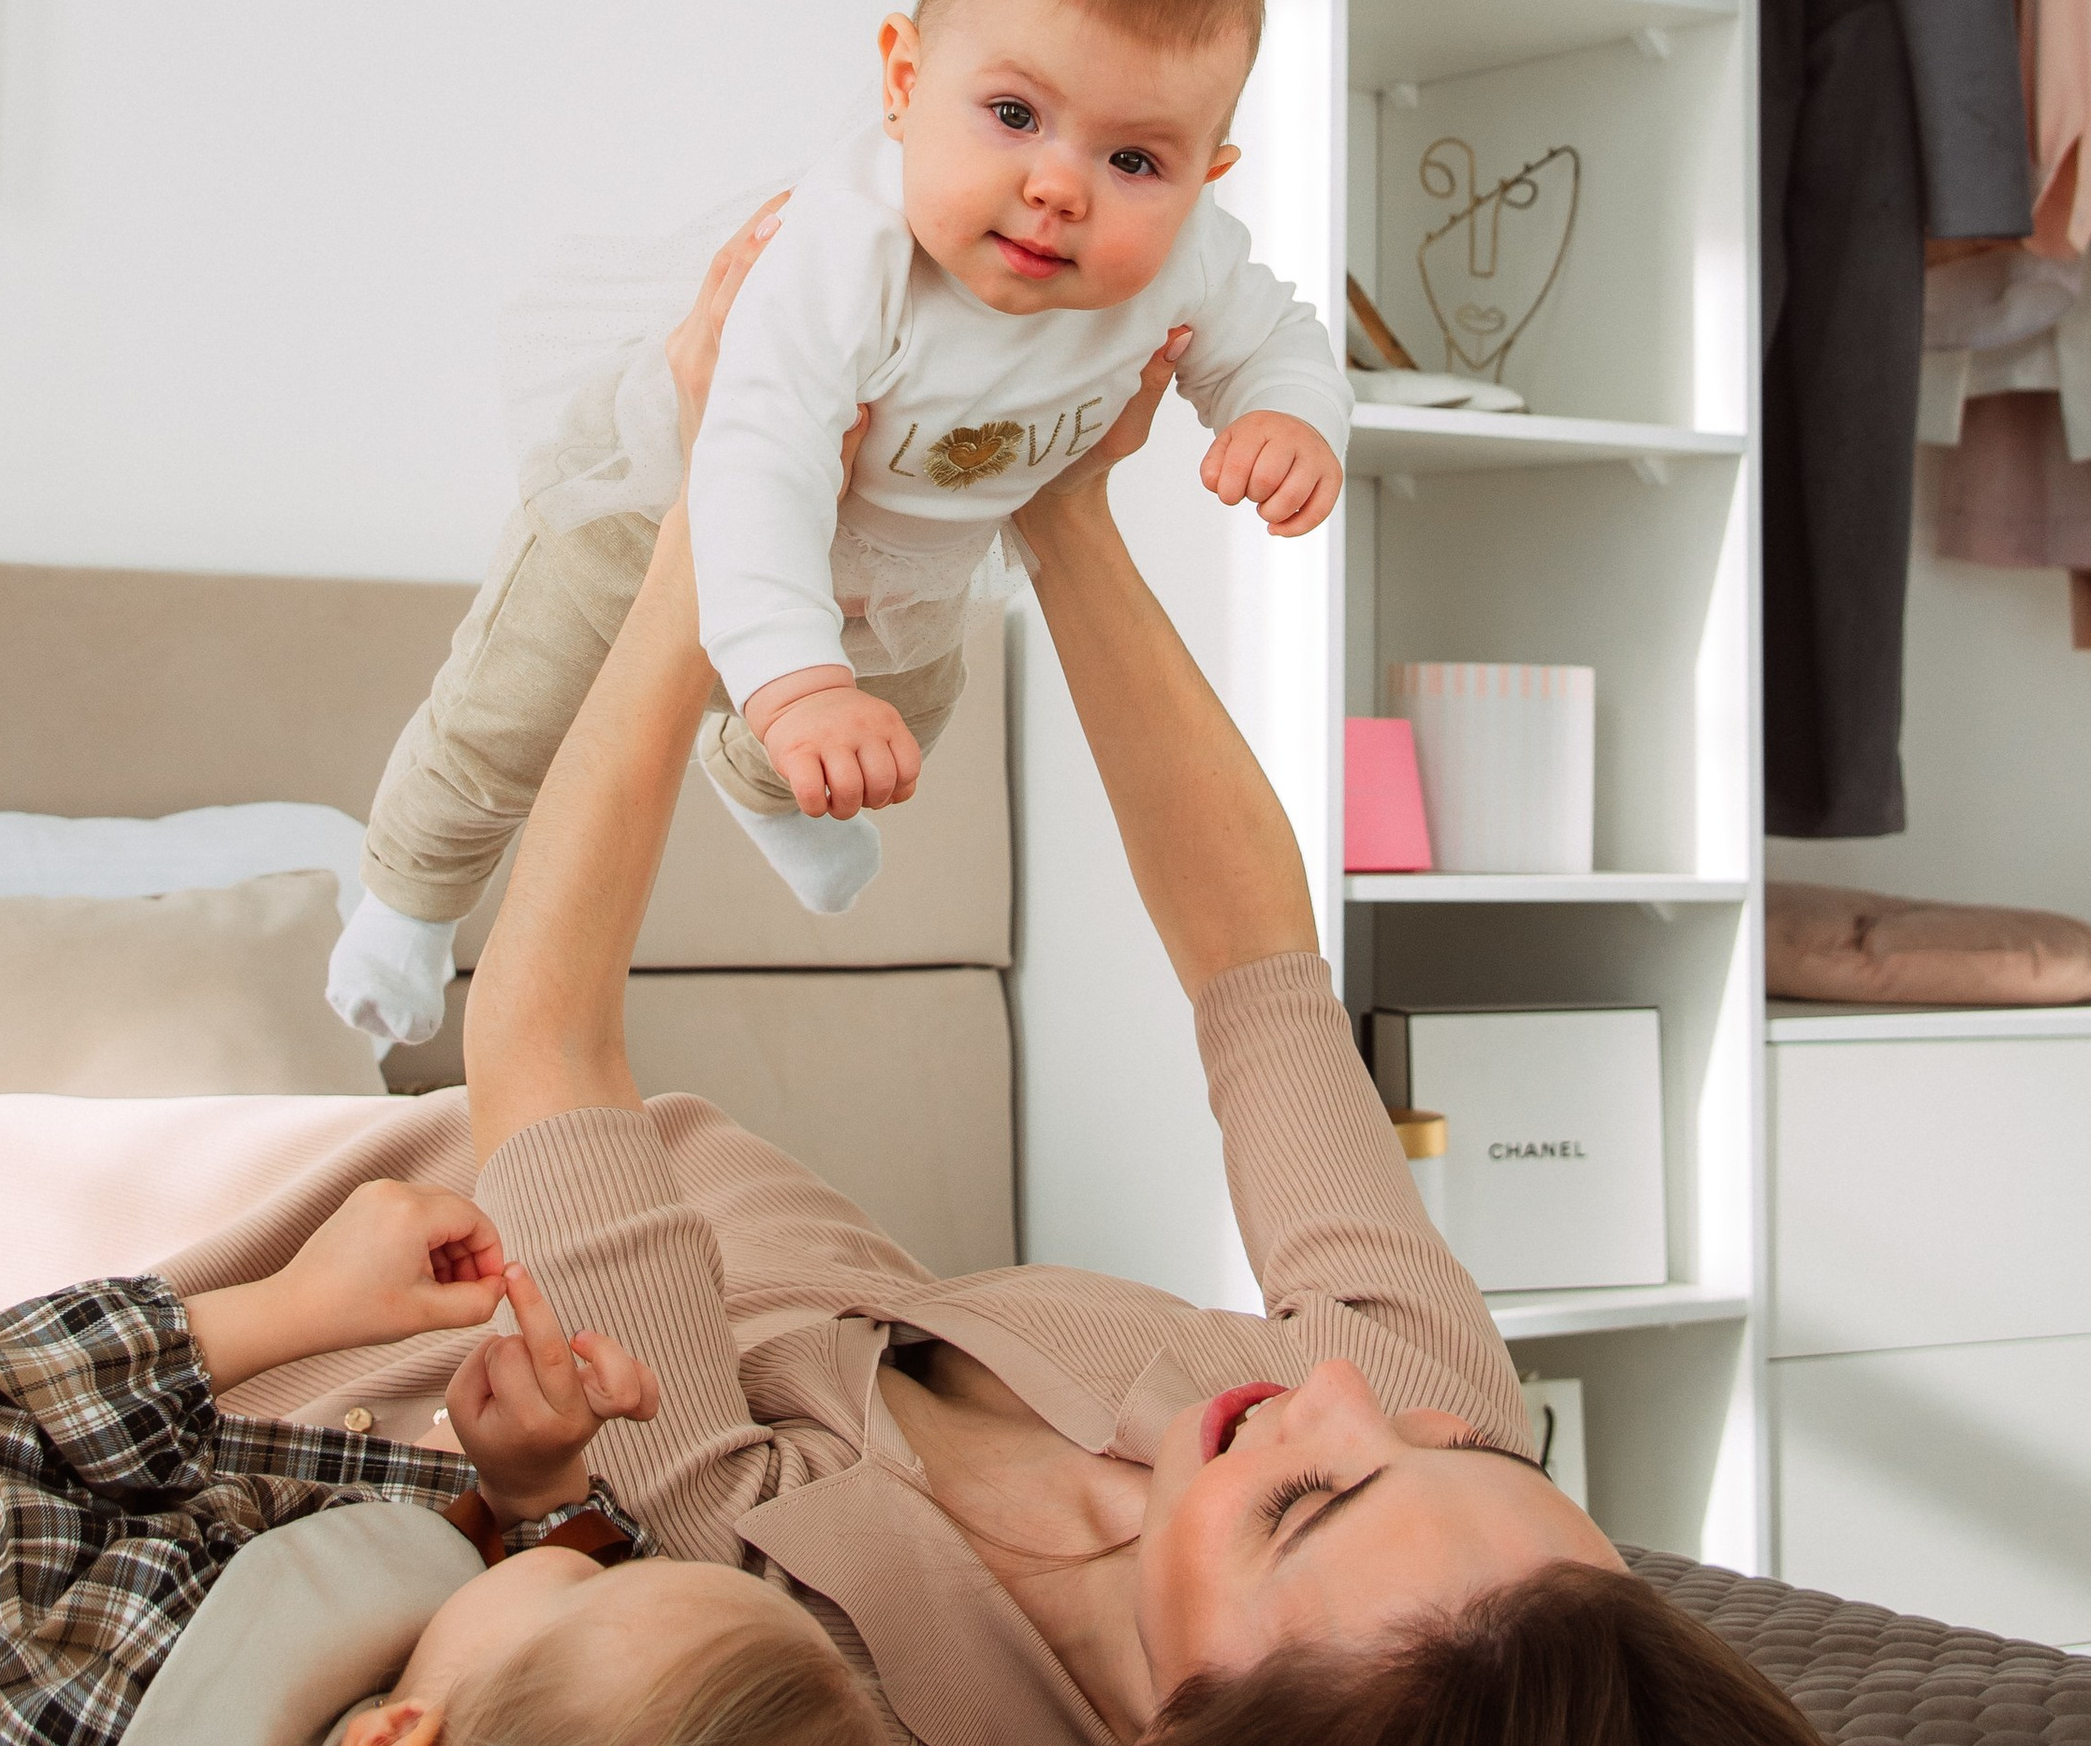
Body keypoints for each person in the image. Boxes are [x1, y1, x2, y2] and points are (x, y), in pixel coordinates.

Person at [159, 214, 1820, 1745]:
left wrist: (716, 514)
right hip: (661, 1161)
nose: (1336, 1396)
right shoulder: (1446, 1492)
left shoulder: (793, 1659)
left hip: (359, 1284)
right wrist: (1063, 500)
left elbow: (537, 1041)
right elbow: (1257, 968)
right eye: (1457, 1444)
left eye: (1306, 1503)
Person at [330, 0, 1353, 1044]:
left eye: (1134, 160)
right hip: (668, 508)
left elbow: (1276, 335)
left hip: (902, 560)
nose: (1059, 186)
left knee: (901, 728)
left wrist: (1283, 416)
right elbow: (755, 470)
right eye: (1014, 116)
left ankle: (764, 779)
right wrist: (800, 680)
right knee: (510, 718)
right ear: (905, 82)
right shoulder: (844, 255)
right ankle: (405, 899)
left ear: (1205, 178)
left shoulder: (1190, 256)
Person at [0, 1158, 881, 1746]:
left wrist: (303, 1304)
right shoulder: (395, 1680)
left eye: (595, 1578)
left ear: (396, 1734)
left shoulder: (73, 1706)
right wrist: (531, 1489)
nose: (600, 1544)